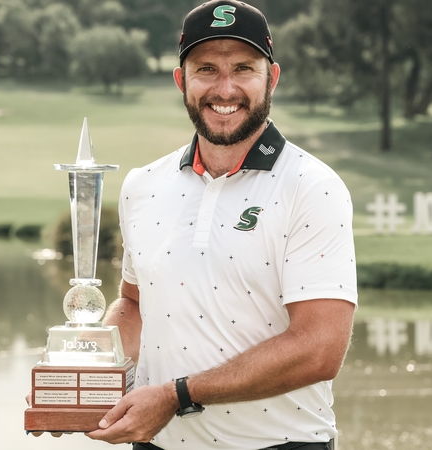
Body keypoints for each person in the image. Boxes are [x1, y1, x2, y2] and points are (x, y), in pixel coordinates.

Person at [85, 2, 358, 449]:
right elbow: (135, 305)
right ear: (182, 82)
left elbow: (319, 348)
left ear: (271, 77)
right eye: (206, 69)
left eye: (243, 68)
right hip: (157, 443)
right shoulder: (142, 185)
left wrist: (177, 396)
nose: (225, 88)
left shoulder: (313, 187)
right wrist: (86, 382)